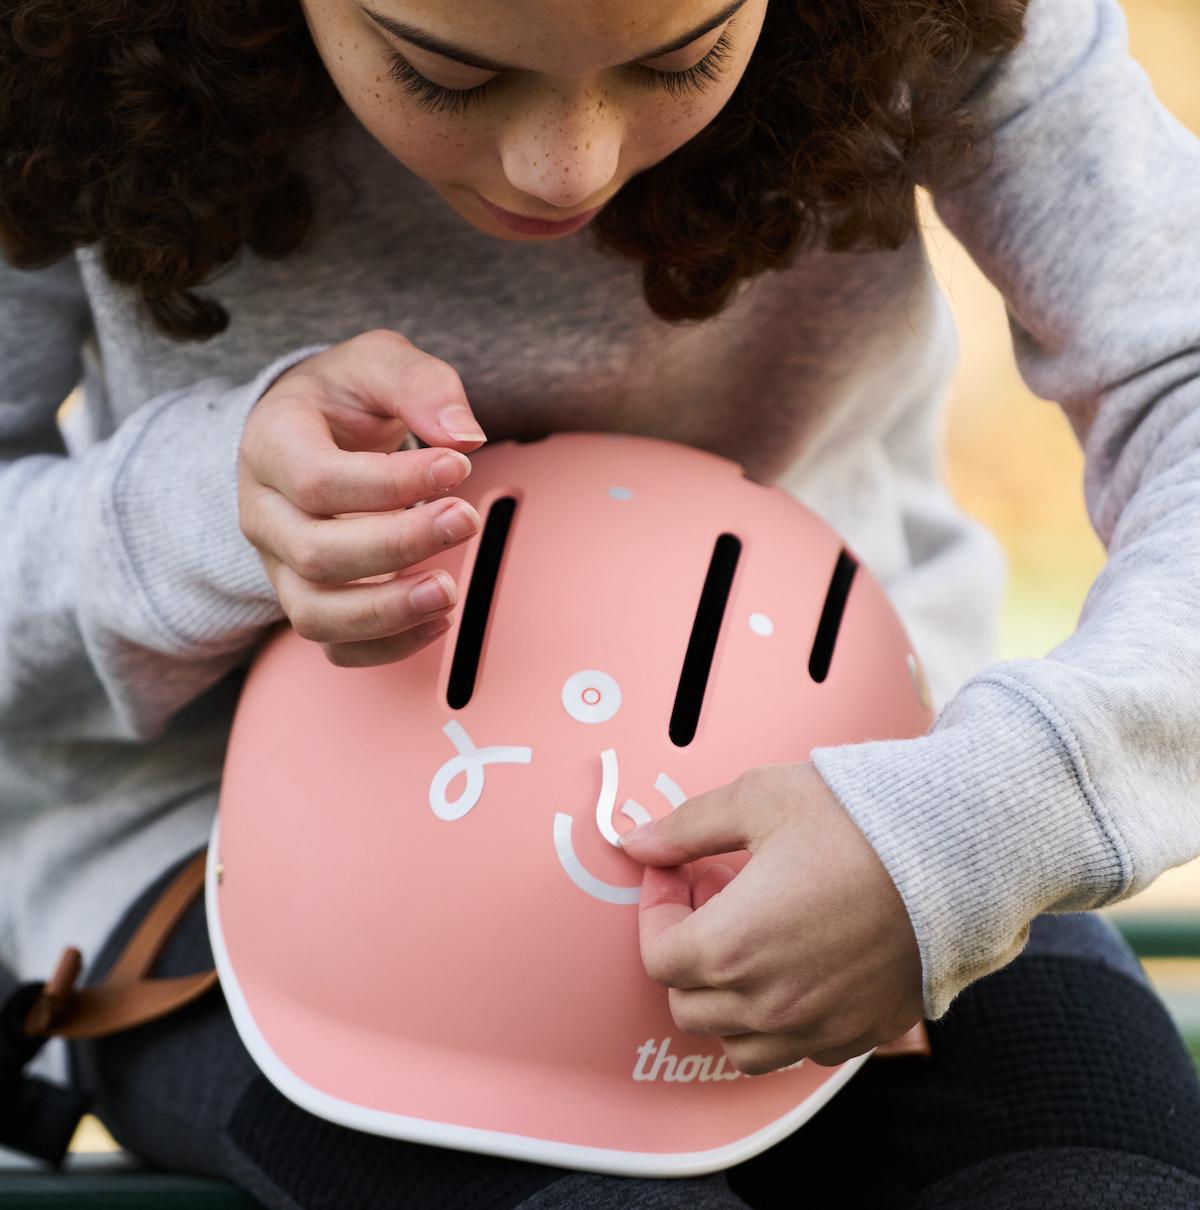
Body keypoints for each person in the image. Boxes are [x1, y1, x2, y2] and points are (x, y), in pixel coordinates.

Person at [2, 0, 1199, 1204]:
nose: (563, 167)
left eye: (683, 58)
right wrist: (203, 511)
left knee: (1100, 1174)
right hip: (219, 864)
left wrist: (980, 820)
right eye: (444, 75)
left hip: (876, 832)